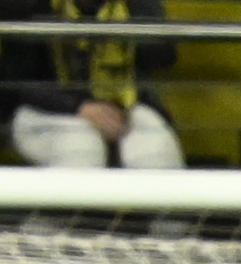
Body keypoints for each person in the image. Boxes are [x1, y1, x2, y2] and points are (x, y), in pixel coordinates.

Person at [0, 0, 184, 170]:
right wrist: (80, 108)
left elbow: (163, 58)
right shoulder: (34, 5)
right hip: (45, 108)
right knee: (81, 146)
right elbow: (19, 83)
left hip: (126, 104)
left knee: (155, 151)